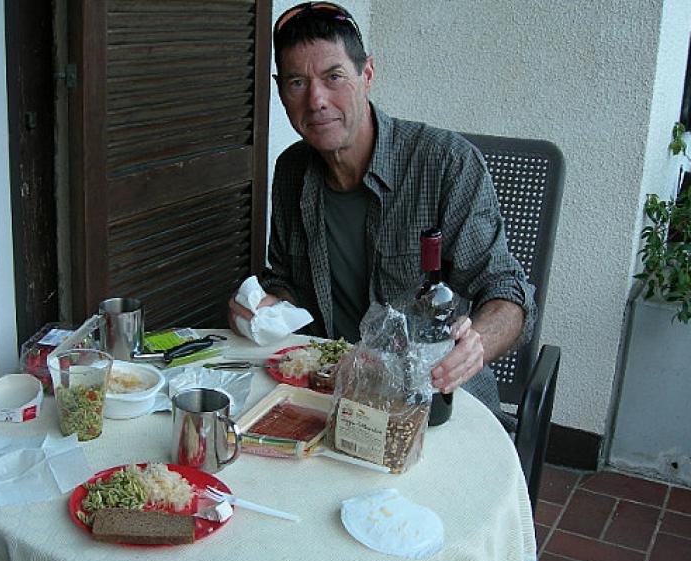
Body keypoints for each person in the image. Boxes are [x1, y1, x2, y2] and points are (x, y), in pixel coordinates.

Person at [228, 2, 535, 428]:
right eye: (298, 82)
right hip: (333, 392)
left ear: (366, 74)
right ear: (281, 91)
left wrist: (476, 342)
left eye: (334, 77)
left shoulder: (446, 163)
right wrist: (265, 306)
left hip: (433, 401)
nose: (316, 100)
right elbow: (287, 281)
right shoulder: (292, 171)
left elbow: (507, 291)